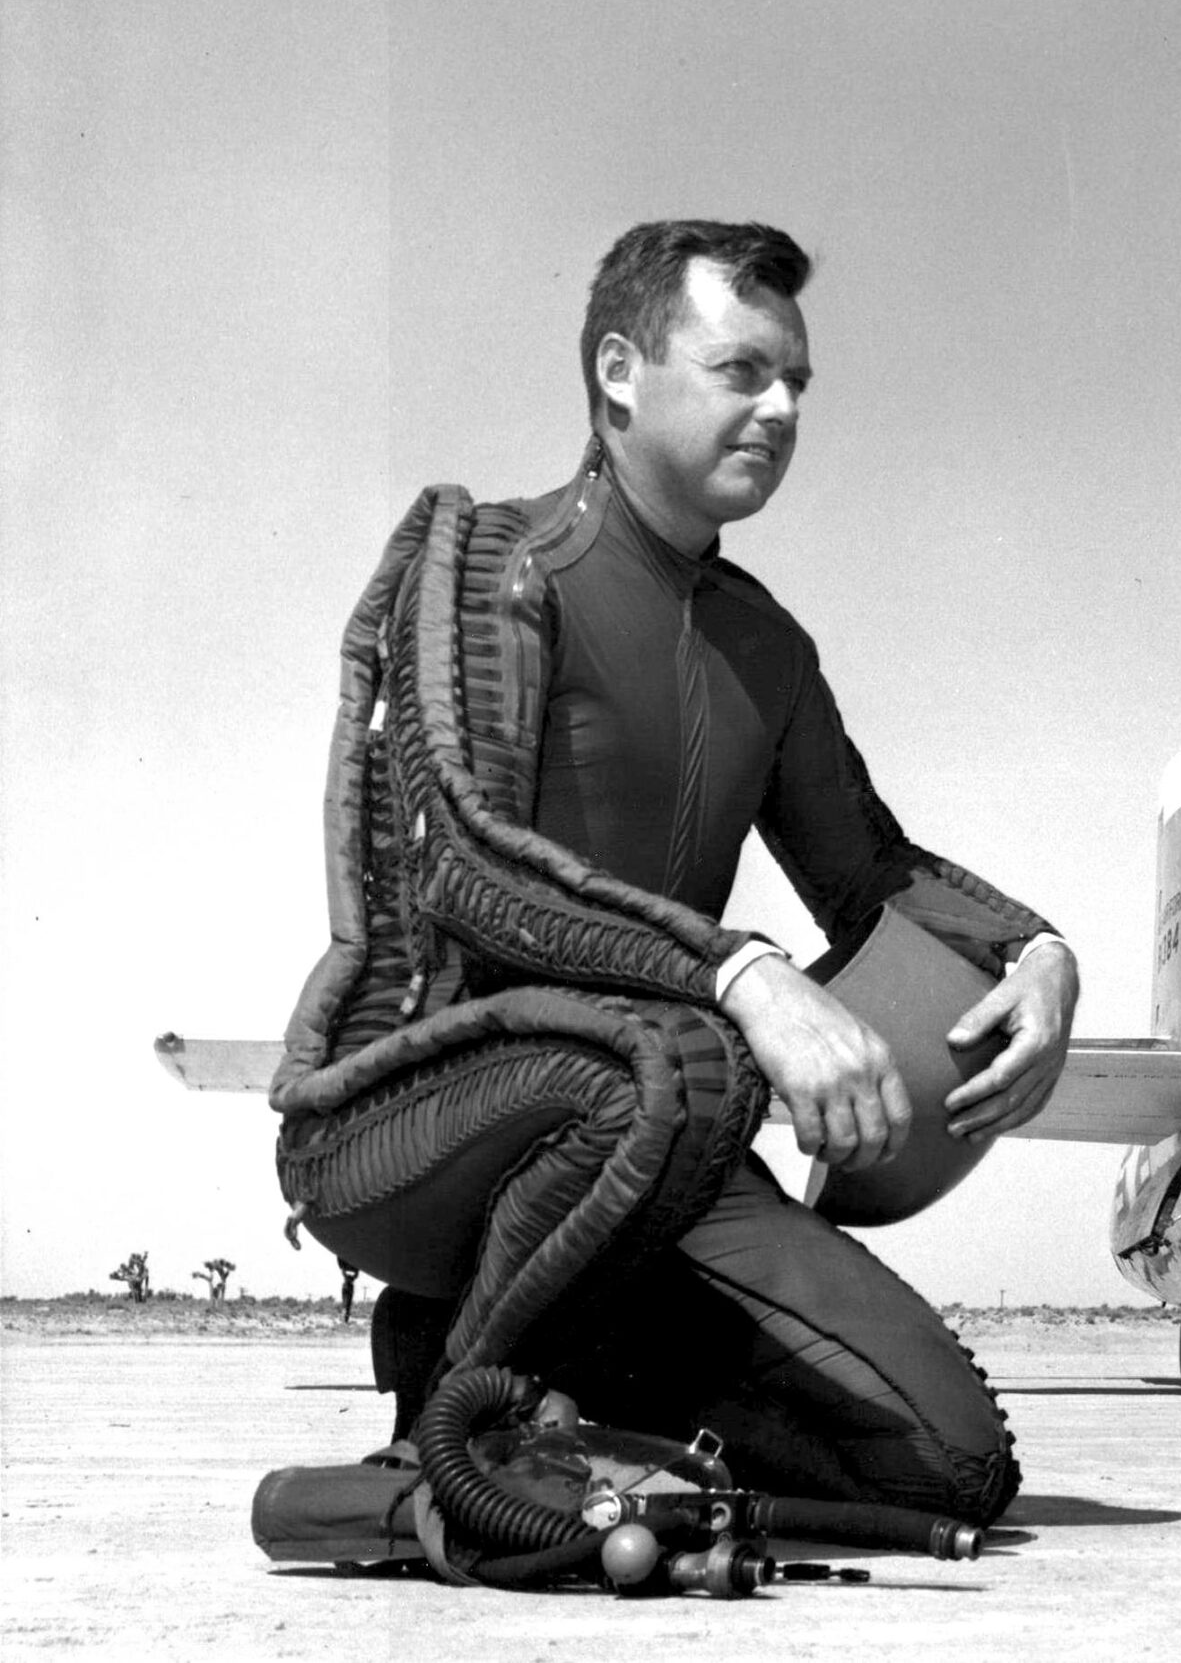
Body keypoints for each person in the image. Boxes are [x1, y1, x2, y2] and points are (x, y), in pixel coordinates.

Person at [270, 221, 1076, 1525]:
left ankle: (576, 1420)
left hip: (653, 1130)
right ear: (620, 373)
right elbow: (471, 863)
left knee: (950, 1466)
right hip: (413, 1126)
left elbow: (872, 875)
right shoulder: (487, 565)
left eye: (797, 382)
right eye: (743, 368)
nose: (781, 406)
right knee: (689, 1059)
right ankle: (447, 1444)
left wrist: (1038, 952)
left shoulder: (767, 646)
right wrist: (745, 975)